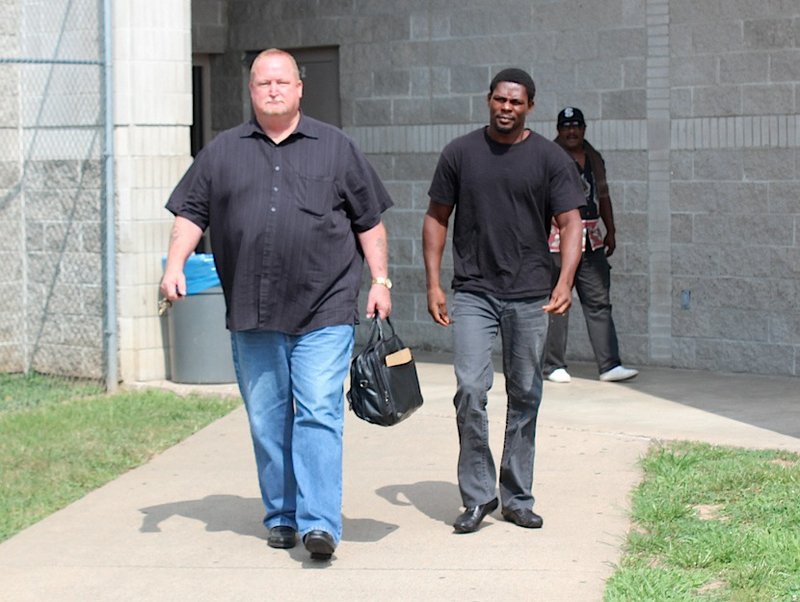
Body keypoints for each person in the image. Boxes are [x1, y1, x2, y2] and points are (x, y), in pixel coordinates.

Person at [159, 48, 393, 561]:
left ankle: (320, 524)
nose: (272, 90)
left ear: (299, 88)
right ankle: (282, 514)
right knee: (267, 418)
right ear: (251, 91)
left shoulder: (336, 148)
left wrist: (380, 280)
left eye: (281, 82)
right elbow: (191, 213)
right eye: (263, 83)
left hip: (324, 308)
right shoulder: (223, 151)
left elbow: (369, 221)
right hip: (252, 310)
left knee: (318, 411)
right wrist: (175, 264)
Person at [422, 68, 585, 534]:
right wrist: (433, 283)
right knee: (471, 390)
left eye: (515, 102)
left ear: (529, 105)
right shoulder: (460, 153)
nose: (506, 108)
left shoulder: (549, 158)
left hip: (532, 294)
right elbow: (436, 218)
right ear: (488, 100)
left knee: (525, 394)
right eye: (499, 100)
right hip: (474, 291)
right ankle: (477, 496)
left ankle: (516, 497)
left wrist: (565, 280)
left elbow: (571, 222)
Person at [544, 107, 639, 384]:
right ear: (558, 130)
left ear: (584, 128)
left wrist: (611, 229)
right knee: (558, 302)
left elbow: (603, 196)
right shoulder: (548, 157)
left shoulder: (594, 157)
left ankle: (609, 365)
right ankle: (553, 365)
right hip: (557, 241)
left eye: (576, 126)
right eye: (566, 127)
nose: (571, 131)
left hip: (592, 240)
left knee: (599, 302)